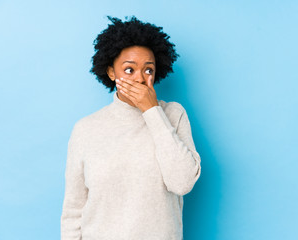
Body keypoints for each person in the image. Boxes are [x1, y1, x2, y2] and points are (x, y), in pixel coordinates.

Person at [60, 16, 202, 240]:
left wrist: (152, 111)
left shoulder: (173, 115)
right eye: (129, 70)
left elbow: (182, 182)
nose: (139, 78)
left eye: (148, 70)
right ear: (111, 72)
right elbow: (73, 210)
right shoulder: (86, 129)